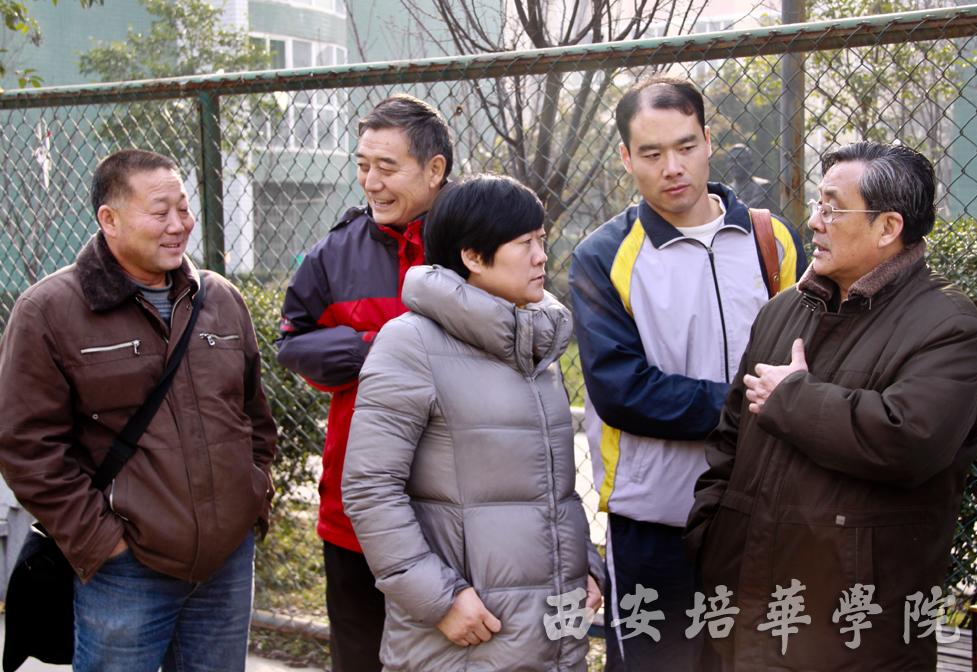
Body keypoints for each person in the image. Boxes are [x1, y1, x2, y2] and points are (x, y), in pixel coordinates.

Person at [686, 141, 977, 671]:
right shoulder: (782, 312)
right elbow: (729, 440)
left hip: (853, 629)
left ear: (888, 227)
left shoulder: (947, 325)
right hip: (742, 606)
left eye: (833, 208)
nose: (815, 222)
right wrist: (711, 532)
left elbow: (909, 441)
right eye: (818, 204)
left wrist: (794, 398)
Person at [0, 148, 277, 672]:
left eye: (184, 208)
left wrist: (252, 496)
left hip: (225, 563)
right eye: (160, 211)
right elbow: (26, 449)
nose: (178, 225)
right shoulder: (49, 311)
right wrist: (101, 542)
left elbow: (254, 418)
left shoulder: (220, 299)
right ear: (110, 219)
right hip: (126, 569)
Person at [568, 75, 806, 671]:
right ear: (626, 158)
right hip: (655, 521)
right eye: (651, 153)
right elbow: (623, 391)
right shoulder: (603, 257)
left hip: (760, 513)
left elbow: (811, 357)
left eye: (685, 146)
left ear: (708, 141)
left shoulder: (772, 239)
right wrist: (756, 404)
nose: (672, 167)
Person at [342, 174, 604, 671]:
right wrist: (439, 599)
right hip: (466, 635)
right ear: (473, 257)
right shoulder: (411, 343)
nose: (541, 257)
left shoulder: (535, 343)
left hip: (550, 631)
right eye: (525, 244)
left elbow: (551, 491)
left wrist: (583, 566)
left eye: (542, 240)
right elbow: (370, 487)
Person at [276, 93, 451, 671]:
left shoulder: (474, 240)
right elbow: (292, 342)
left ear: (434, 169)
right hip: (357, 511)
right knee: (360, 655)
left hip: (459, 508)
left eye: (387, 167)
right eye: (362, 165)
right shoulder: (334, 252)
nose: (371, 183)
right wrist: (376, 348)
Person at [727, 143, 773, 210]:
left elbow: (749, 212)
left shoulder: (763, 186)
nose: (735, 164)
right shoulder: (726, 190)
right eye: (731, 160)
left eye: (740, 159)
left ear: (750, 162)